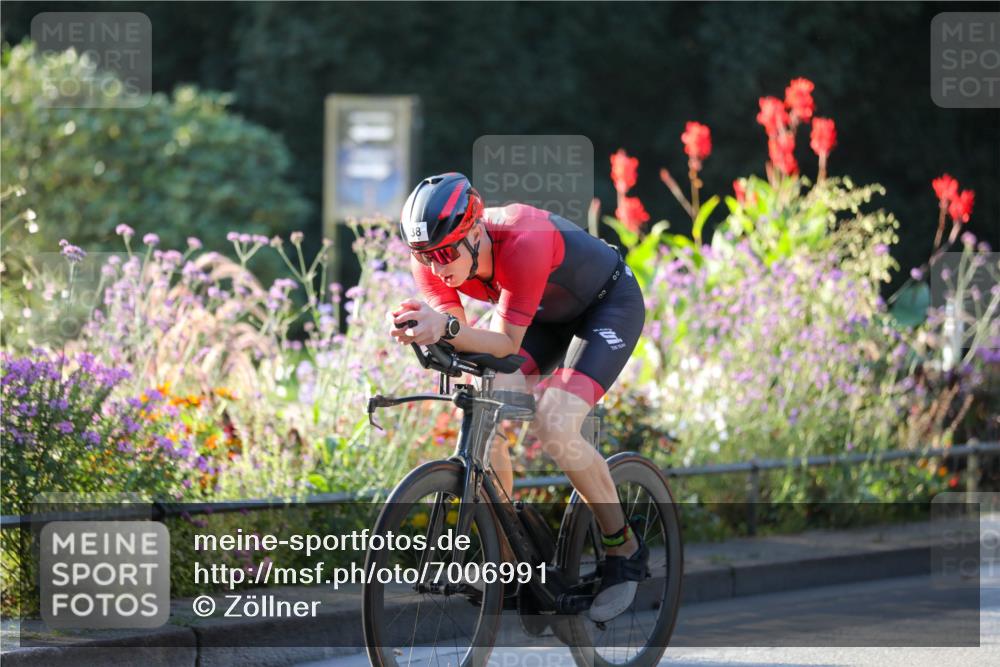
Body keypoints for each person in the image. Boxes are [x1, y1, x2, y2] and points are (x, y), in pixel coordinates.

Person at [387, 172, 648, 623]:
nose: (437, 266)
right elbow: (462, 337)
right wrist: (424, 331)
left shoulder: (523, 237)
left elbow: (504, 343)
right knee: (479, 410)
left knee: (555, 423)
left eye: (447, 252)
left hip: (606, 307)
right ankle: (511, 560)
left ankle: (622, 545)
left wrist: (446, 329)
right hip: (540, 318)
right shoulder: (432, 262)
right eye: (425, 256)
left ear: (475, 231)